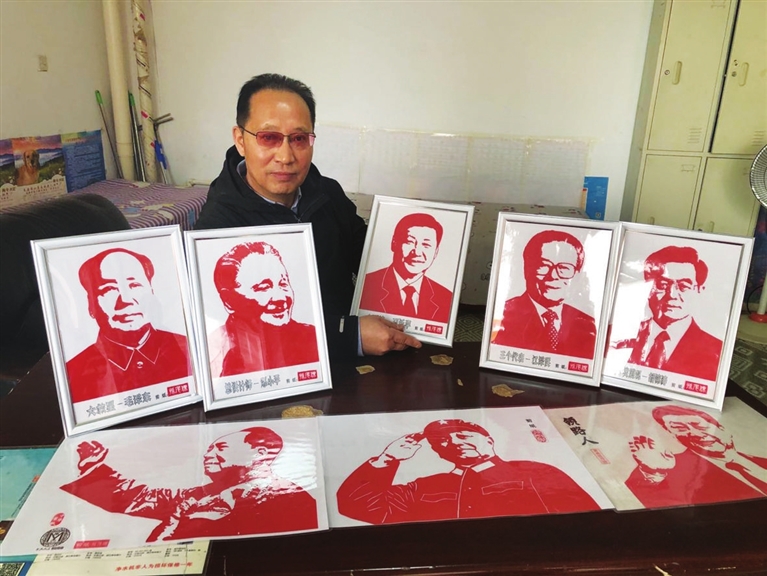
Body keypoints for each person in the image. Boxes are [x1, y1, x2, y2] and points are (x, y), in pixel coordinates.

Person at [194, 73, 420, 359]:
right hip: (281, 367)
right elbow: (225, 336)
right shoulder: (216, 228)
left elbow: (367, 257)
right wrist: (348, 336)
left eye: (299, 139)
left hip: (362, 345)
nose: (286, 156)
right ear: (240, 140)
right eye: (269, 138)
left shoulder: (327, 193)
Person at [60, 426, 318, 541]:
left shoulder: (293, 498)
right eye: (208, 448)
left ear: (260, 452)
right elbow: (137, 498)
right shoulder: (199, 494)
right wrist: (93, 467)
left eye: (221, 448)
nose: (208, 454)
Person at [337, 418, 600, 524]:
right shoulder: (422, 487)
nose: (453, 443)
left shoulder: (534, 472)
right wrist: (388, 458)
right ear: (438, 453)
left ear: (489, 439)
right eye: (442, 442)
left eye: (463, 435)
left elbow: (584, 518)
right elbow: (356, 506)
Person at [65, 248, 191, 404]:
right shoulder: (74, 373)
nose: (126, 300)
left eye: (135, 285)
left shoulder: (190, 351)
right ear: (91, 304)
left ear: (152, 292)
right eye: (109, 289)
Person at [209, 241, 319, 376]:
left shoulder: (312, 339)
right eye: (263, 287)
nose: (280, 298)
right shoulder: (216, 351)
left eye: (283, 283)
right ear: (229, 301)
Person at [613, 246, 723, 381]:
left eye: (683, 286)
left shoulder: (716, 351)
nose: (672, 295)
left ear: (699, 290)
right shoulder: (618, 335)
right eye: (662, 285)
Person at [624, 405, 767, 508]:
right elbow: (638, 490)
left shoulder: (761, 459)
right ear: (675, 437)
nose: (695, 434)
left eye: (697, 424)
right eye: (680, 429)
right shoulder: (669, 465)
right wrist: (650, 469)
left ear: (718, 425)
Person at [492, 230, 596, 359]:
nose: (553, 276)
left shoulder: (587, 324)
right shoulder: (503, 315)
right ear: (527, 268)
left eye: (564, 268)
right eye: (544, 266)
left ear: (577, 275)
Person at [359, 213, 453, 323]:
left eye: (426, 245)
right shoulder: (367, 284)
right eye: (410, 242)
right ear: (394, 243)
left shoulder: (445, 296)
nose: (417, 252)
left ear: (436, 252)